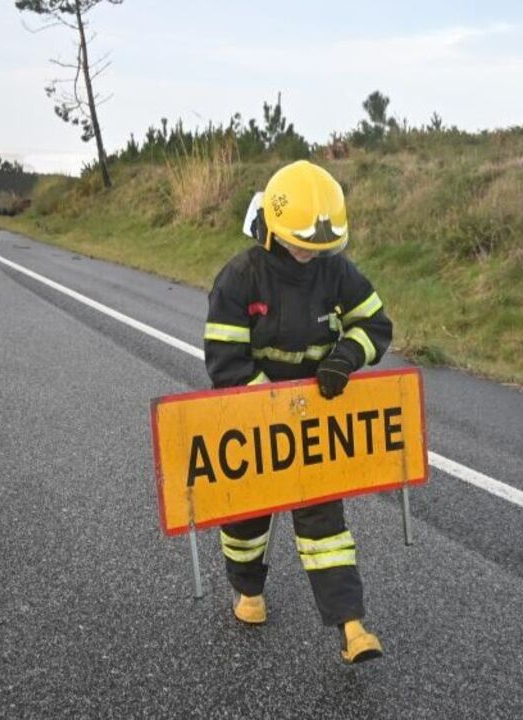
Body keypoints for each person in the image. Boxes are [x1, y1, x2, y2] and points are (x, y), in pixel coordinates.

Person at [203, 160, 393, 664]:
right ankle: (248, 591)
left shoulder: (336, 271)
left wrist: (345, 358)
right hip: (253, 419)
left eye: (321, 246)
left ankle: (353, 627)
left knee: (326, 527)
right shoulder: (240, 277)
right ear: (276, 229)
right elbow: (224, 359)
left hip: (313, 425)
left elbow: (375, 326)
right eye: (302, 244)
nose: (311, 254)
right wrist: (270, 404)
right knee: (246, 520)